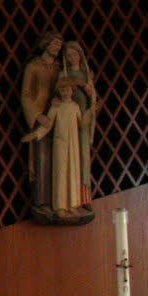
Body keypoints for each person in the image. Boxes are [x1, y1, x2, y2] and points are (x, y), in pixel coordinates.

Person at [19, 32, 62, 213]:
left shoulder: (60, 67)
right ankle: (43, 201)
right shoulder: (34, 66)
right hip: (40, 117)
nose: (58, 48)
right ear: (46, 44)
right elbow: (26, 95)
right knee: (42, 159)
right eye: (55, 44)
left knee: (60, 158)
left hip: (58, 116)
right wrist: (37, 115)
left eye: (60, 45)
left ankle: (60, 199)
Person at [46, 78, 97, 218]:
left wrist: (91, 111)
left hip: (73, 145)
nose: (64, 92)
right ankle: (60, 206)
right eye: (62, 90)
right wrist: (36, 134)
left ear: (72, 91)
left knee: (73, 173)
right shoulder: (56, 107)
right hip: (60, 144)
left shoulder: (75, 107)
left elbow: (82, 123)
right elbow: (48, 124)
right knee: (61, 173)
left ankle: (74, 204)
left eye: (67, 89)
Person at [59, 40, 97, 203]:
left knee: (83, 155)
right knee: (69, 156)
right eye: (68, 55)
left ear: (80, 55)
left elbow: (93, 97)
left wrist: (91, 94)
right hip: (69, 118)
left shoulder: (87, 74)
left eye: (74, 54)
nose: (72, 58)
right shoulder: (64, 75)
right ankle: (70, 197)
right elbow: (58, 93)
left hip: (83, 117)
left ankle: (84, 197)